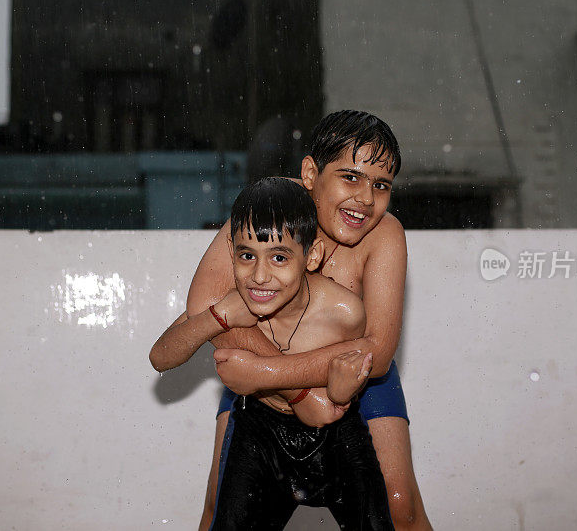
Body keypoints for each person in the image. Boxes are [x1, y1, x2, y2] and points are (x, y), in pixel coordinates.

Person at [188, 110, 432, 530]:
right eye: (350, 177)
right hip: (261, 376)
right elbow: (203, 305)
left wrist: (270, 372)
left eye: (381, 185)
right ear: (309, 173)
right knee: (219, 505)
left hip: (355, 379)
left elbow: (378, 351)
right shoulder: (270, 207)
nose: (365, 199)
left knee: (399, 506)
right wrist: (296, 390)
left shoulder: (385, 233)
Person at [150, 177, 393, 529]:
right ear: (231, 253)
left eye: (279, 257)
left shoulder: (344, 311)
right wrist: (218, 317)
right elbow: (161, 356)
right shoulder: (233, 302)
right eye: (247, 256)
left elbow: (333, 403)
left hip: (337, 438)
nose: (260, 276)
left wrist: (336, 392)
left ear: (312, 257)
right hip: (258, 431)